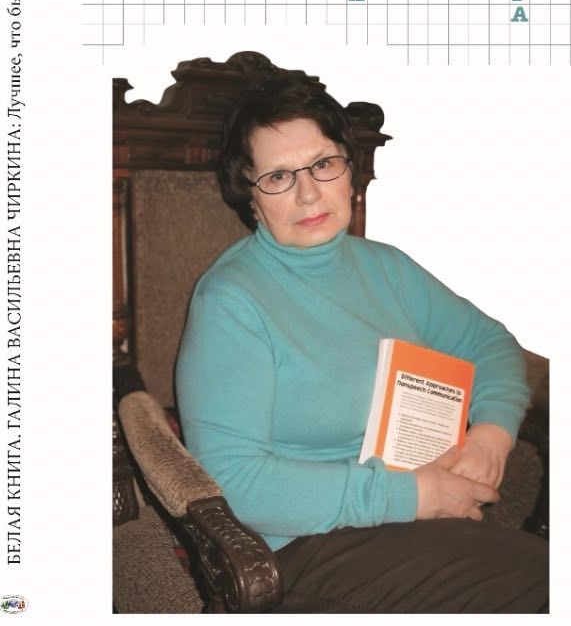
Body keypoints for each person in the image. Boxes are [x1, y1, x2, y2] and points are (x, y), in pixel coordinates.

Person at [176, 74, 548, 613]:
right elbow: (233, 482)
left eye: (323, 164)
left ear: (349, 169)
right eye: (278, 176)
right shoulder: (231, 301)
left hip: (415, 519)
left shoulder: (387, 268)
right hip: (301, 546)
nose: (308, 193)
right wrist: (411, 496)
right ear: (249, 197)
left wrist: (491, 436)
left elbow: (491, 343)